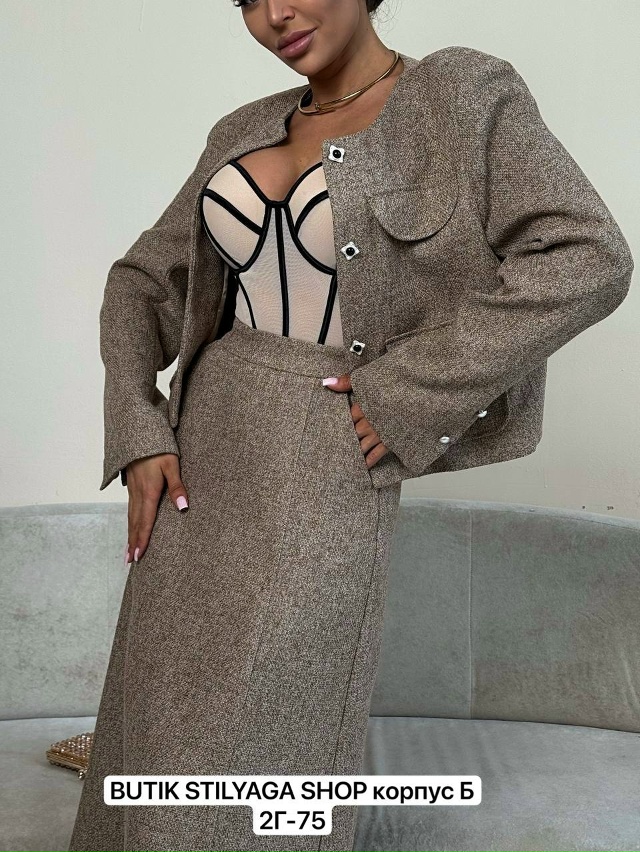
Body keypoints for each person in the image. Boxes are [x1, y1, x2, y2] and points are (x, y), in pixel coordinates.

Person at [68, 1, 634, 850]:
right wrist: (137, 424)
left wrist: (410, 390)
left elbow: (589, 257)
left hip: (329, 449)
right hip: (202, 445)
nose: (275, 14)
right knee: (159, 701)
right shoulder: (242, 127)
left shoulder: (459, 94)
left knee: (268, 720)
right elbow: (141, 282)